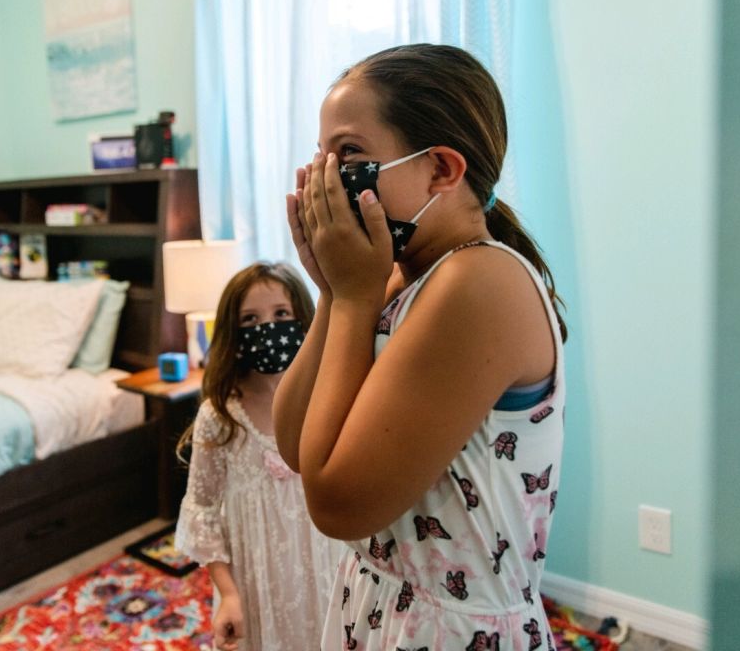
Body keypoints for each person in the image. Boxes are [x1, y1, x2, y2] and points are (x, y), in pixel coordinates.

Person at [273, 43, 568, 650]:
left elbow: (336, 504)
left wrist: (354, 299)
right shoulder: (394, 277)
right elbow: (298, 444)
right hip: (382, 603)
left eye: (349, 153)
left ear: (441, 169)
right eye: (321, 156)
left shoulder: (477, 282)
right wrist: (333, 293)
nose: (327, 179)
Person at [174, 262, 339, 651]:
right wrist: (229, 595)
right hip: (254, 584)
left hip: (324, 568)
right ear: (234, 334)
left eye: (281, 314)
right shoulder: (221, 417)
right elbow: (203, 511)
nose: (268, 327)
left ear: (303, 319)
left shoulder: (326, 400)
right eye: (251, 319)